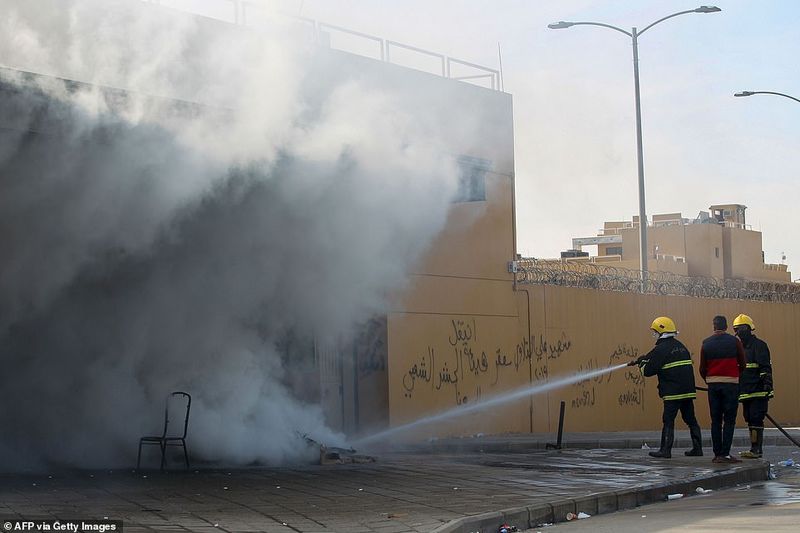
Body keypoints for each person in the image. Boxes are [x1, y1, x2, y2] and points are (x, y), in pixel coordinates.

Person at [628, 316, 703, 458]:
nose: (654, 334)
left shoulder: (660, 349)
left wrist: (641, 363)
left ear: (661, 332)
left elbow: (648, 371)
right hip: (687, 391)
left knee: (668, 420)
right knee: (690, 419)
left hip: (672, 392)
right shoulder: (681, 346)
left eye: (655, 331)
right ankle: (698, 449)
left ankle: (665, 450)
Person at [699, 315, 746, 463]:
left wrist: (710, 379)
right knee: (729, 420)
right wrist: (735, 374)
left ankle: (717, 454)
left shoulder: (706, 343)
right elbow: (743, 363)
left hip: (713, 385)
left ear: (714, 326)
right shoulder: (735, 342)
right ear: (726, 327)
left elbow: (702, 368)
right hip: (731, 384)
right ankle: (725, 453)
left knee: (716, 420)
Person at [733, 313, 773, 459]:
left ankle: (757, 449)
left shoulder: (759, 345)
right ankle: (753, 448)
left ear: (749, 329)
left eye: (740, 329)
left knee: (756, 418)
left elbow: (765, 367)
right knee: (749, 418)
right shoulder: (739, 347)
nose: (738, 333)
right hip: (745, 390)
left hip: (759, 390)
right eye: (735, 329)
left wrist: (767, 383)